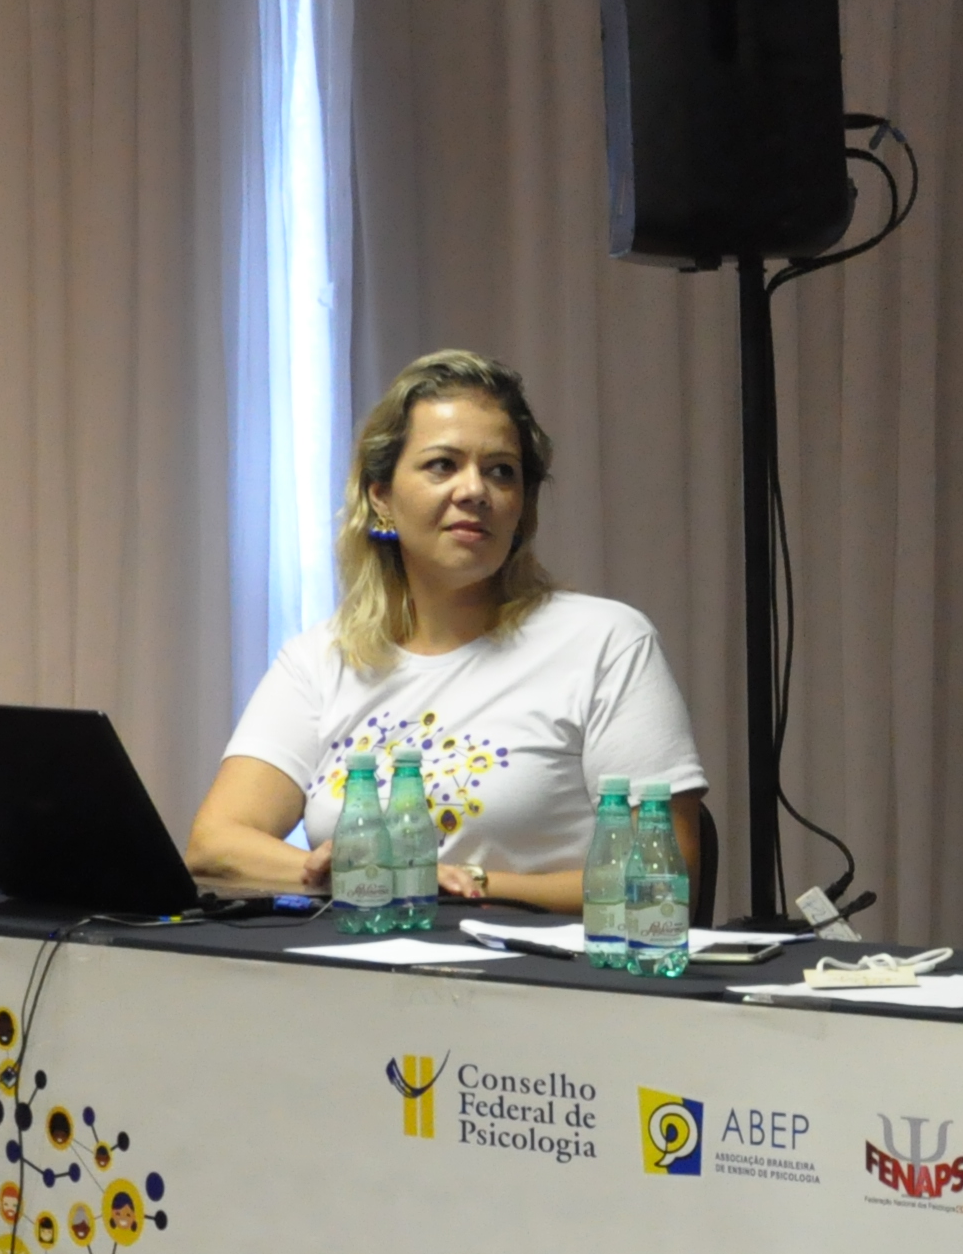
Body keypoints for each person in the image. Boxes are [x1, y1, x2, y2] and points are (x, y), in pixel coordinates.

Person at [189, 349, 710, 911]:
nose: (474, 490)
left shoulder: (605, 641)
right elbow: (214, 846)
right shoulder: (322, 658)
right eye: (443, 465)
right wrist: (342, 871)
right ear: (380, 496)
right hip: (359, 956)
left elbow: (662, 877)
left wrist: (458, 886)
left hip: (538, 962)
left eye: (501, 471)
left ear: (521, 506)